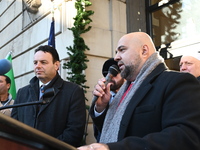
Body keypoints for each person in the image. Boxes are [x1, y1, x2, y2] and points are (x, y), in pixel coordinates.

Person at [78, 32, 200, 150]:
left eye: (122, 50)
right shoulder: (124, 90)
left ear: (144, 51)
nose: (116, 57)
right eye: (116, 52)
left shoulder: (177, 82)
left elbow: (185, 137)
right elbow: (113, 129)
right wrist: (101, 108)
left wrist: (113, 148)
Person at [11, 45, 86, 147]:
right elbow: (13, 127)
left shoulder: (73, 91)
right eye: (35, 62)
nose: (38, 66)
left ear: (56, 65)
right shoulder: (22, 93)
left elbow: (74, 132)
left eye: (43, 62)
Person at [94, 58, 125, 142]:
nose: (110, 77)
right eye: (107, 74)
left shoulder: (130, 95)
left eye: (114, 73)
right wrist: (100, 108)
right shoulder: (102, 96)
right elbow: (98, 131)